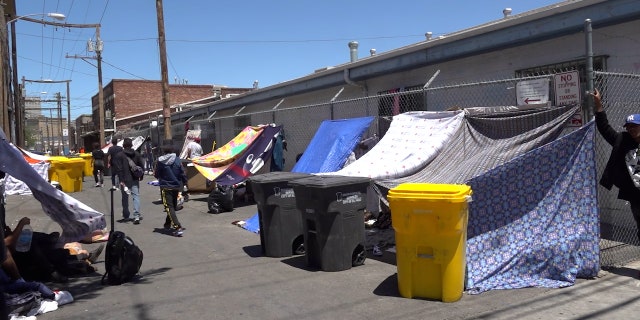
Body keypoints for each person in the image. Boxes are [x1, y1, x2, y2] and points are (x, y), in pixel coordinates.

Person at [592, 88, 640, 242]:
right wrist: (599, 104)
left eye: (635, 126)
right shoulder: (623, 141)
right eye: (629, 127)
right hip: (636, 195)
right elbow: (604, 128)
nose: (631, 129)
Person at [154, 144, 188, 237]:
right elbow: (182, 172)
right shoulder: (177, 160)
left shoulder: (160, 161)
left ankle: (177, 227)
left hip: (165, 186)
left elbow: (156, 174)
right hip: (176, 186)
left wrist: (161, 177)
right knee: (172, 206)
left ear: (164, 151)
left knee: (169, 207)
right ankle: (167, 224)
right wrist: (185, 182)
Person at [114, 138, 144, 225]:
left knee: (125, 198)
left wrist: (121, 180)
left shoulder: (119, 155)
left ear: (123, 145)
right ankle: (136, 216)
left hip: (124, 180)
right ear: (131, 145)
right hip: (135, 178)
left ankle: (126, 215)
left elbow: (118, 169)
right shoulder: (137, 154)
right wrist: (141, 176)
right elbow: (141, 166)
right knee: (136, 197)